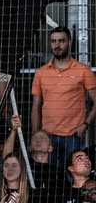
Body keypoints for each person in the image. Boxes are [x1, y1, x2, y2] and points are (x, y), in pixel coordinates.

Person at [31, 26, 96, 167]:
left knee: (72, 176)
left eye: (61, 41)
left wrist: (86, 125)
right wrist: (36, 134)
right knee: (49, 177)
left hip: (73, 135)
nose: (57, 45)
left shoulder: (83, 70)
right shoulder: (41, 72)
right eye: (53, 41)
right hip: (48, 135)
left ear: (70, 43)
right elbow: (36, 105)